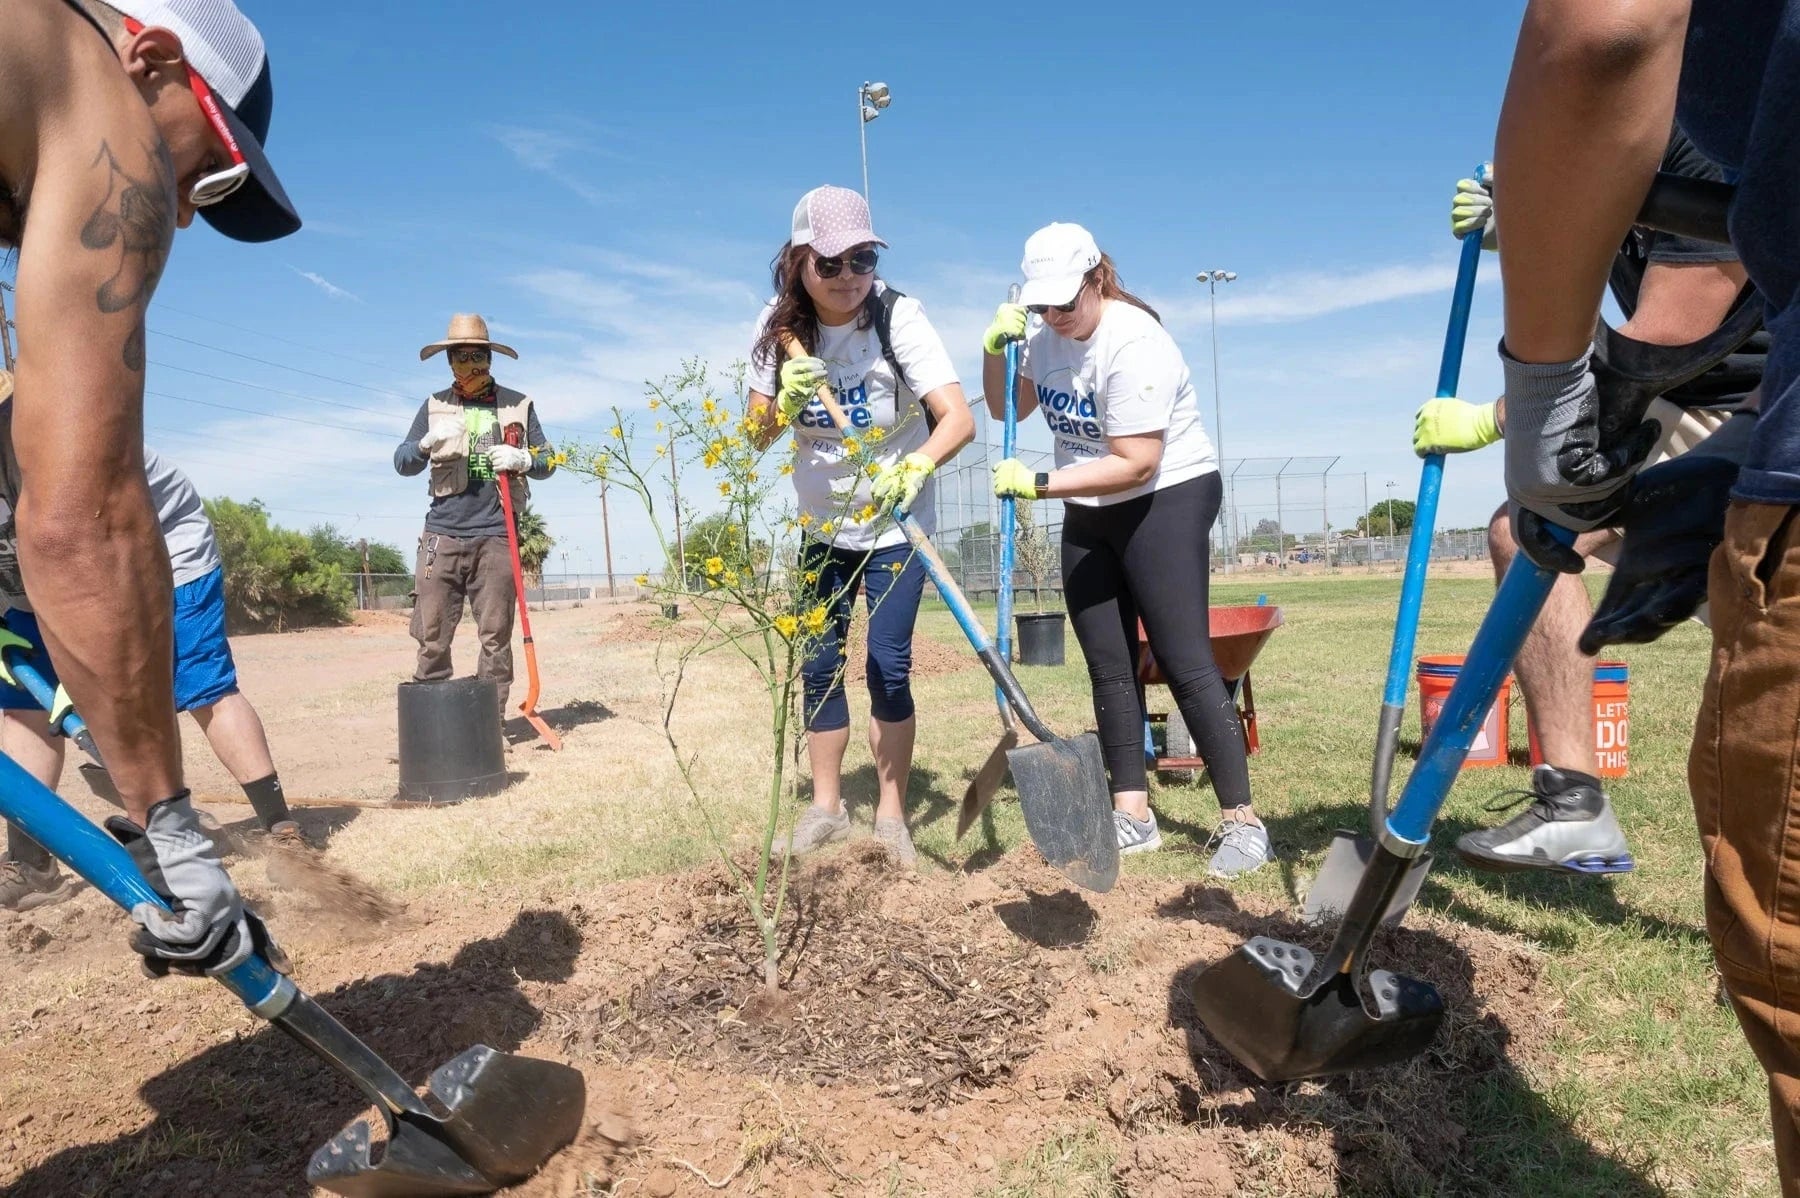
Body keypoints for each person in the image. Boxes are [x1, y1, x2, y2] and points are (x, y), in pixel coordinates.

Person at [1490, 0, 1798, 1186]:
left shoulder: (1671, 109)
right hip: (1759, 419)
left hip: (1750, 401)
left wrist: (1550, 409)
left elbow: (1604, 32)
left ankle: (1572, 793)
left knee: (1528, 525)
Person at [0, 0, 298, 975]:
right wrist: (172, 829)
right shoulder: (104, 112)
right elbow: (79, 518)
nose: (180, 209)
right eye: (206, 167)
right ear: (154, 59)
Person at [1412, 133, 1761, 876]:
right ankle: (1574, 804)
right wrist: (1531, 227)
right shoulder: (1626, 145)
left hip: (1760, 409)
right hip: (1684, 402)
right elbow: (1585, 267)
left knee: (1766, 633)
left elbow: (1669, 331)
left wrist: (1494, 418)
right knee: (1531, 531)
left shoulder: (1715, 137)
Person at [981, 223, 1271, 876]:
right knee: (1109, 663)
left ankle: (1244, 825)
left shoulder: (1136, 342)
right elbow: (1010, 409)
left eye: (1065, 302)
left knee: (1183, 657)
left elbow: (1138, 463)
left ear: (1096, 280)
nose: (1054, 316)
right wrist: (997, 348)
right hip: (1089, 501)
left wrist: (1040, 483)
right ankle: (1133, 815)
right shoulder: (1045, 336)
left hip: (1164, 496)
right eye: (1041, 306)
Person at [0, 394, 309, 911]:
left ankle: (283, 832)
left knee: (205, 689)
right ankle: (32, 865)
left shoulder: (61, 440)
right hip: (32, 588)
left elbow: (100, 552)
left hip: (162, 559)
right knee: (26, 713)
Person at [745, 185, 973, 866]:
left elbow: (957, 418)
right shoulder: (774, 331)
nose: (849, 278)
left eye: (863, 259)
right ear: (798, 262)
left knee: (889, 667)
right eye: (831, 263)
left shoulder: (899, 317)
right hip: (822, 527)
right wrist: (783, 402)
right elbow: (755, 437)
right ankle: (826, 809)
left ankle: (892, 817)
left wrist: (918, 465)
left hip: (896, 527)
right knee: (817, 665)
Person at [393, 313, 556, 732]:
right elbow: (402, 462)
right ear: (448, 361)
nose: (468, 364)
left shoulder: (518, 405)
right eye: (459, 356)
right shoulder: (434, 407)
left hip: (497, 535)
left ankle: (488, 728)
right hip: (442, 534)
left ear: (489, 357)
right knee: (431, 635)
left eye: (476, 355)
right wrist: (425, 444)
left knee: (496, 638)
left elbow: (549, 461)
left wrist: (525, 459)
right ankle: (433, 729)